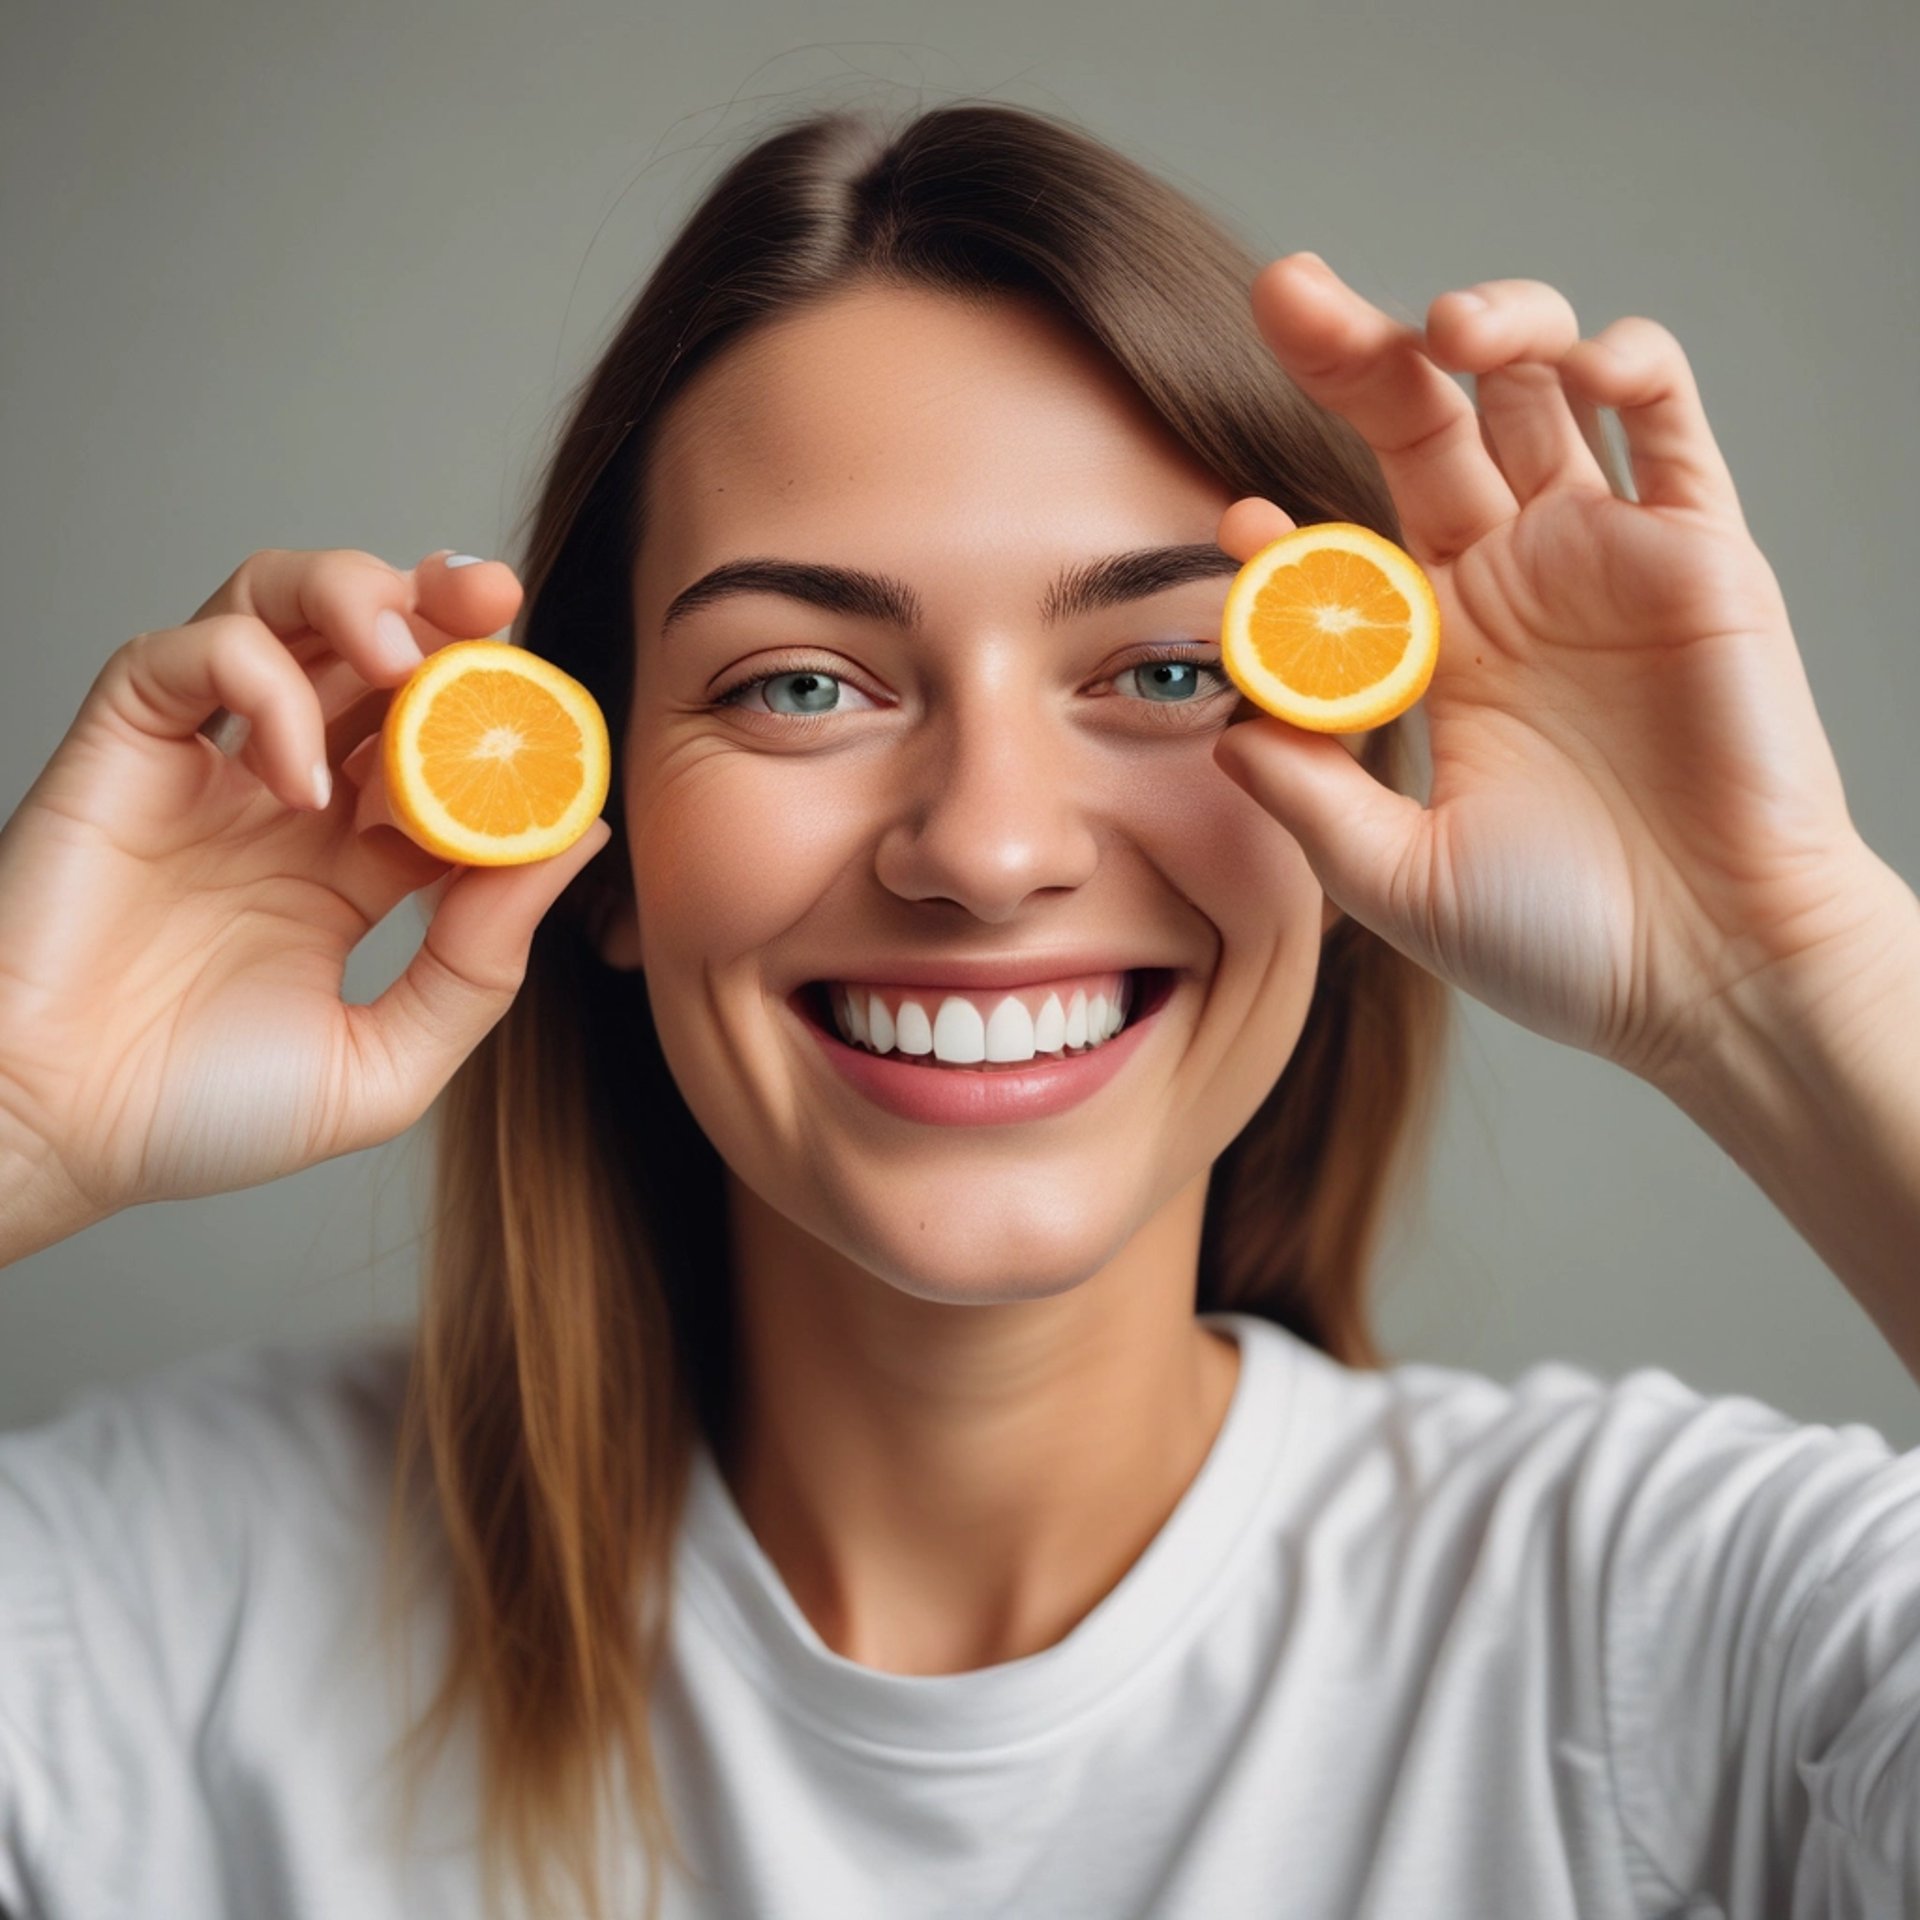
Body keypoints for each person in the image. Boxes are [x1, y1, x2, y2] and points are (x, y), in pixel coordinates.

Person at [1, 97, 1916, 1920]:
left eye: (1167, 671)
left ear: (1352, 810)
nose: (989, 850)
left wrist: (1771, 976)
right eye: (800, 686)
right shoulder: (150, 1622)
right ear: (598, 840)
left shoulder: (1694, 1640)